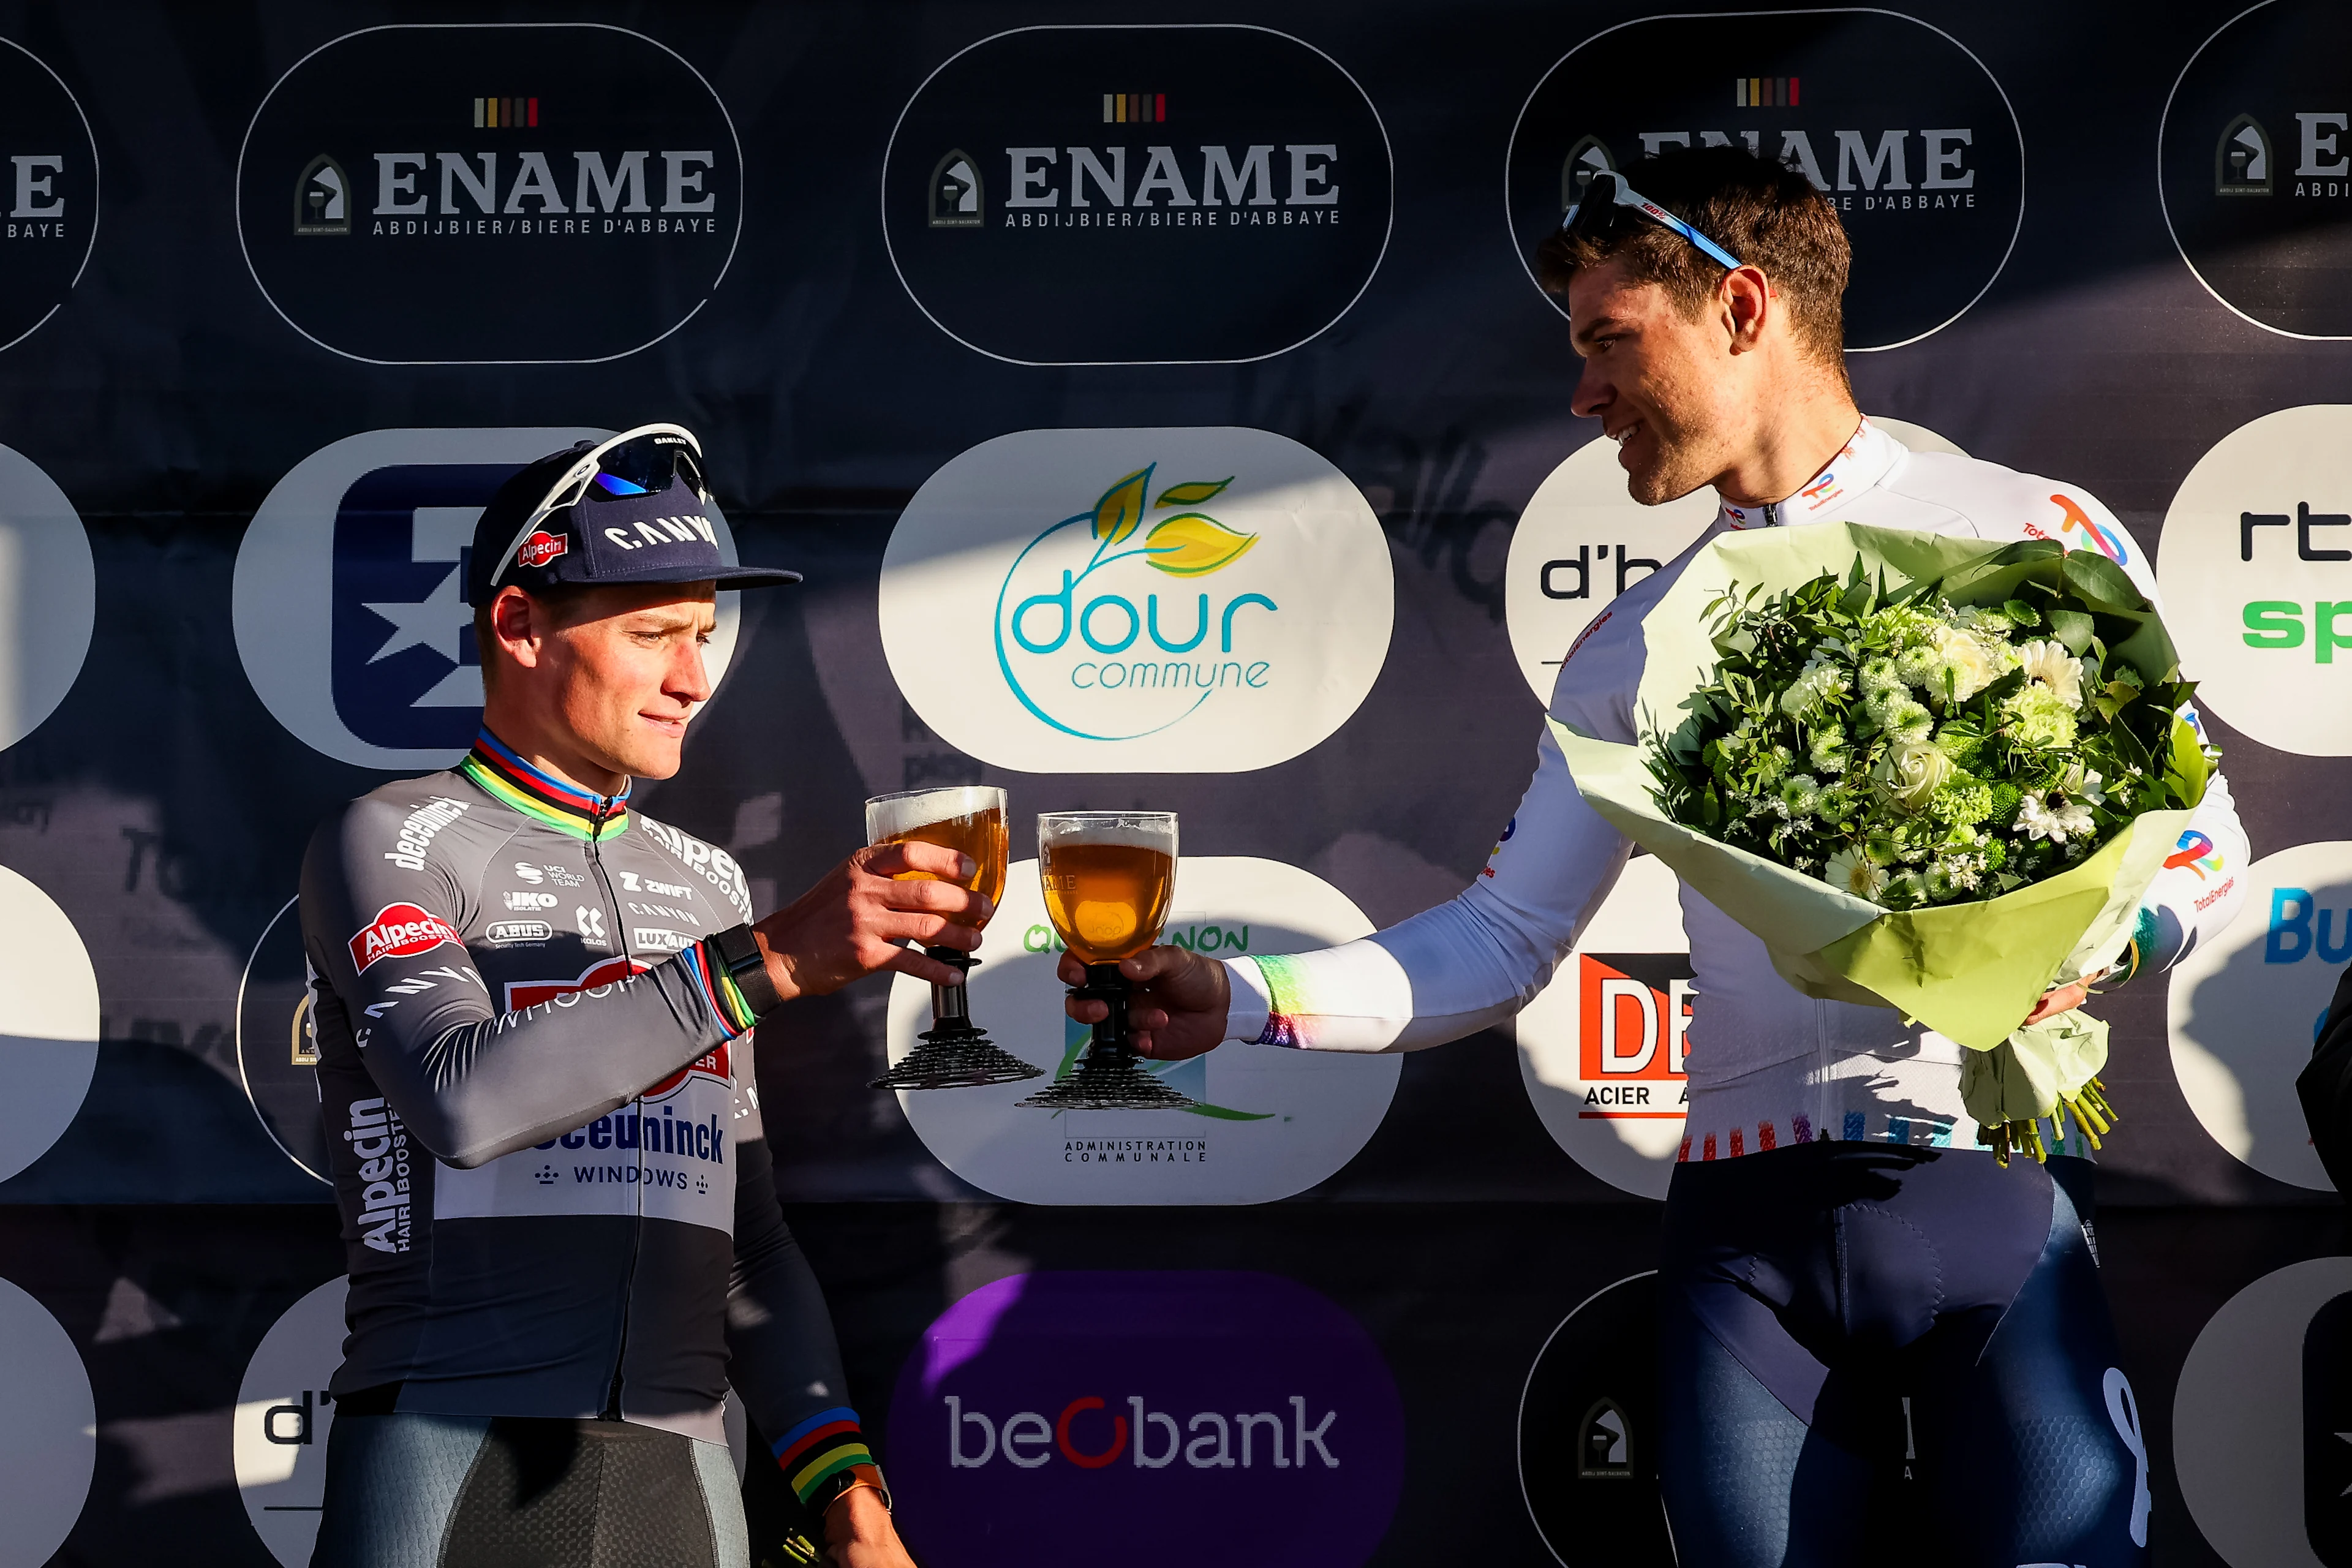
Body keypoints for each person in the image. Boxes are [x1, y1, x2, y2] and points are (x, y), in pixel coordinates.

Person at [1068, 148, 2248, 1565]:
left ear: (1743, 307)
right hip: (1746, 1242)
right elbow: (1504, 937)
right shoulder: (1631, 644)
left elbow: (2204, 833)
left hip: (1993, 1190)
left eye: (1608, 340)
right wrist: (1242, 998)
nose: (1579, 394)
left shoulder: (2030, 532)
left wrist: (2101, 942)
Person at [300, 426, 978, 1568]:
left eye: (706, 635)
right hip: (450, 1455)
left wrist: (844, 1490)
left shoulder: (706, 880)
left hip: (683, 1476)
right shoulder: (390, 837)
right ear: (518, 626)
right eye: (655, 633)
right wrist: (765, 964)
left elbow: (749, 1246)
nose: (693, 678)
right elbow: (465, 1104)